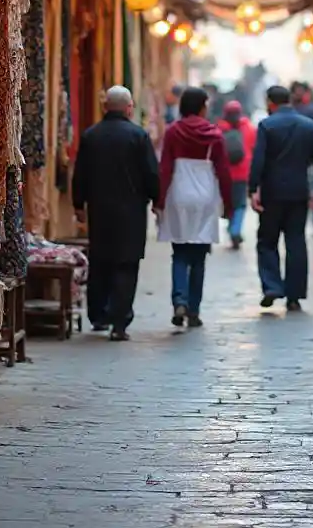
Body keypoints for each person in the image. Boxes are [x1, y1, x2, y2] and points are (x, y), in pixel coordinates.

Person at [72, 85, 160, 341]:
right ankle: (119, 323)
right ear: (129, 107)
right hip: (131, 211)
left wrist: (79, 205)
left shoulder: (91, 136)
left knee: (100, 262)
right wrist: (156, 199)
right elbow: (151, 173)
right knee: (126, 263)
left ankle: (99, 316)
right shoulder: (138, 136)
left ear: (104, 107)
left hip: (100, 210)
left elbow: (81, 174)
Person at [158, 86, 233, 328]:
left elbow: (165, 168)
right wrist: (229, 205)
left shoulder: (173, 132)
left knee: (179, 252)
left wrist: (158, 201)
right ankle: (194, 310)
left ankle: (179, 299)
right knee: (199, 257)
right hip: (204, 195)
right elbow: (223, 172)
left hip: (178, 192)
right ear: (202, 107)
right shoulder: (214, 135)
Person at [249, 85, 313, 312]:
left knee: (267, 240)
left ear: (270, 102)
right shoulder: (309, 126)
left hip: (272, 193)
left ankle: (272, 286)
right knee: (296, 241)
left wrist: (253, 188)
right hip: (298, 191)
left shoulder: (267, 125)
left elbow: (258, 160)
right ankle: (294, 295)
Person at [218, 100, 256, 248]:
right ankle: (235, 229)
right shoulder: (249, 129)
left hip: (224, 173)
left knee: (228, 204)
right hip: (242, 173)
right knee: (240, 203)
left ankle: (231, 228)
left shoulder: (219, 130)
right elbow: (254, 150)